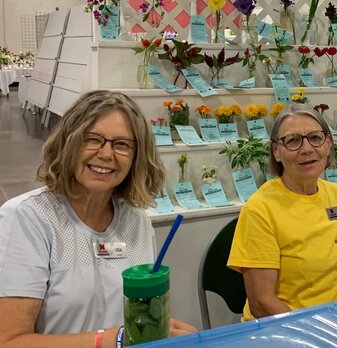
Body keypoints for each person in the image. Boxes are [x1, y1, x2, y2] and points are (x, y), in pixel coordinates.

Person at [0, 90, 196, 347]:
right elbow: (10, 341)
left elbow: (137, 317)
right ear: (68, 143)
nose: (106, 154)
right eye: (93, 139)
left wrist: (162, 331)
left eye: (122, 144)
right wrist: (114, 339)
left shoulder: (136, 222)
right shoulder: (28, 218)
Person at [227, 103, 337, 320]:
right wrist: (319, 332)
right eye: (293, 141)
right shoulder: (260, 209)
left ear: (329, 144)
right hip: (286, 329)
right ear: (276, 151)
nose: (307, 149)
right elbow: (262, 302)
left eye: (315, 137)